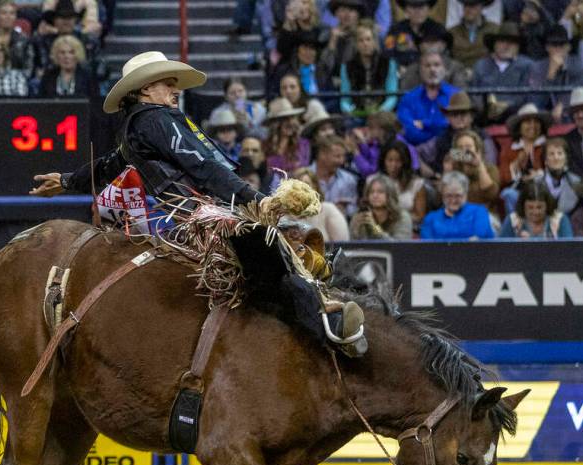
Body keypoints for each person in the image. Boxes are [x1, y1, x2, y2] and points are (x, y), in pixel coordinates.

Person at [30, 49, 365, 356]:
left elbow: (108, 166)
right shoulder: (157, 120)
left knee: (277, 253)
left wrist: (65, 181)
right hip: (197, 215)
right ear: (146, 89)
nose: (175, 89)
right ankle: (327, 330)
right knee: (269, 252)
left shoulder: (138, 128)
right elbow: (203, 166)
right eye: (167, 83)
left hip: (184, 216)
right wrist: (257, 200)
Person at [420, 90, 498, 174]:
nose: (459, 118)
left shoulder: (483, 137)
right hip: (446, 183)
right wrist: (432, 175)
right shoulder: (441, 138)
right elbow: (414, 153)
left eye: (463, 113)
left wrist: (456, 155)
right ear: (448, 118)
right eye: (455, 115)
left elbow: (490, 164)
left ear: (471, 117)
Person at [471, 21, 533, 121]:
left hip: (517, 118)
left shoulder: (527, 65)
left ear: (518, 46)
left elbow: (527, 95)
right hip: (484, 118)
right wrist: (484, 108)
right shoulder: (481, 65)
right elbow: (474, 92)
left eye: (512, 42)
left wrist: (506, 105)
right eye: (502, 41)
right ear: (494, 44)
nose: (506, 46)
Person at [396, 50, 459, 146]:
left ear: (444, 69)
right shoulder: (408, 99)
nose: (432, 69)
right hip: (416, 151)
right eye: (427, 66)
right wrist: (438, 129)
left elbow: (456, 126)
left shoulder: (456, 95)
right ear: (420, 70)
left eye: (437, 65)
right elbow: (409, 132)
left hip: (450, 150)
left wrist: (424, 123)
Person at [338, 19, 398, 117]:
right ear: (356, 44)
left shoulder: (388, 63)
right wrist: (353, 113)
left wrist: (379, 112)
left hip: (382, 114)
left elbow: (392, 98)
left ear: (374, 41)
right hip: (356, 114)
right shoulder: (346, 67)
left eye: (368, 39)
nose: (365, 44)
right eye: (361, 40)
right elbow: (345, 100)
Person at [527, 25, 583, 120]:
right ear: (547, 47)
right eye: (554, 45)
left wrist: (563, 104)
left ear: (568, 47)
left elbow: (580, 93)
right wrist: (550, 74)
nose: (558, 49)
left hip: (572, 115)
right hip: (544, 117)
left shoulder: (577, 65)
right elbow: (537, 102)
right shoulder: (537, 67)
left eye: (562, 45)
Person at [421, 171, 495, 239]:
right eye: (449, 195)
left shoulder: (479, 212)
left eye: (458, 196)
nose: (453, 200)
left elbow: (478, 239)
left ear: (466, 194)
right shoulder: (431, 218)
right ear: (442, 195)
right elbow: (427, 246)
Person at [442, 129, 500, 213]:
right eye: (460, 147)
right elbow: (441, 199)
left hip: (483, 213)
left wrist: (479, 165)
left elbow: (490, 194)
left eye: (468, 147)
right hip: (456, 214)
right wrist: (447, 172)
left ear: (477, 149)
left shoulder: (490, 169)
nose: (465, 151)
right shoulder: (454, 170)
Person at [384, 0, 449, 69]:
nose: (418, 11)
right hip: (401, 74)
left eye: (422, 7)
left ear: (428, 9)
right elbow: (387, 54)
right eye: (413, 7)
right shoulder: (395, 31)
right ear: (406, 10)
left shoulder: (438, 31)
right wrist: (397, 69)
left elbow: (446, 58)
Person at [499, 102, 550, 189]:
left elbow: (557, 172)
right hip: (518, 192)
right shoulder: (508, 149)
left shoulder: (549, 145)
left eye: (536, 121)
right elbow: (503, 179)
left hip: (545, 190)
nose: (532, 125)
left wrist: (539, 175)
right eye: (528, 122)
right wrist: (516, 163)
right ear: (519, 127)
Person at [376, 139, 428, 225]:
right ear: (383, 160)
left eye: (398, 161)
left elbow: (420, 217)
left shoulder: (417, 184)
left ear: (405, 162)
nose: (394, 165)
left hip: (408, 229)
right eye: (390, 160)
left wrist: (397, 218)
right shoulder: (373, 181)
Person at [499, 178, 574, 237]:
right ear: (523, 206)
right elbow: (501, 250)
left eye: (539, 207)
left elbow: (568, 251)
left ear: (547, 205)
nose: (535, 212)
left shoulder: (560, 220)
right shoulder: (512, 221)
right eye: (530, 207)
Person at [290, 167, 350, 240]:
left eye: (307, 184)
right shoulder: (283, 214)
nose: (301, 189)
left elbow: (343, 243)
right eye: (297, 185)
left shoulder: (328, 210)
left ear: (315, 187)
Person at [349, 174, 414, 239]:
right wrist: (355, 231)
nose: (375, 195)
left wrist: (375, 228)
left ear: (390, 194)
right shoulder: (361, 215)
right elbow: (354, 245)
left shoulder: (402, 217)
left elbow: (399, 246)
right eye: (371, 192)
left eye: (380, 192)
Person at [309, 135, 360, 217]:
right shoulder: (303, 178)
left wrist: (345, 209)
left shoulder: (348, 180)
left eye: (343, 156)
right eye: (337, 156)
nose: (341, 161)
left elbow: (353, 209)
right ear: (322, 155)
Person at [263, 97, 311, 178]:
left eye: (291, 117)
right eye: (285, 119)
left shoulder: (303, 144)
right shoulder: (265, 146)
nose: (290, 122)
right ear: (275, 123)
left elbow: (304, 170)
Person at [38, 33, 94, 97]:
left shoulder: (88, 77)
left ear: (78, 54)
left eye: (71, 52)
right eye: (62, 52)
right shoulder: (48, 76)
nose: (66, 56)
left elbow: (95, 103)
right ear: (56, 55)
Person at [449, 0, 499, 69]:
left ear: (481, 7)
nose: (468, 9)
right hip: (458, 74)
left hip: (485, 74)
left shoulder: (494, 30)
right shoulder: (452, 32)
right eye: (466, 5)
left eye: (473, 6)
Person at [0, 0, 33, 77]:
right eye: (4, 13)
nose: (8, 17)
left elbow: (29, 68)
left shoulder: (24, 40)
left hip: (18, 80)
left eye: (12, 13)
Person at [543, 137, 583, 214]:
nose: (556, 158)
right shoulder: (536, 182)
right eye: (551, 154)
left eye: (560, 153)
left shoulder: (576, 182)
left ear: (566, 159)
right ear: (545, 161)